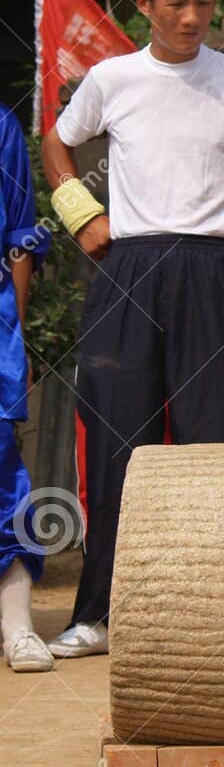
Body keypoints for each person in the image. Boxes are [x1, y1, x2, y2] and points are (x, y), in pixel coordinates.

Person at [41, 0, 224, 658]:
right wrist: (79, 213)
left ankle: (215, 615)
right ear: (144, 4)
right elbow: (57, 142)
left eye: (204, 3)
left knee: (215, 439)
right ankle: (98, 614)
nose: (192, 18)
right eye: (176, 3)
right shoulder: (113, 79)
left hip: (215, 269)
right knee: (121, 441)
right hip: (129, 266)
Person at [0, 106, 55, 672]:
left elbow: (20, 235)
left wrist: (11, 334)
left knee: (2, 471)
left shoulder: (1, 128)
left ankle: (17, 627)